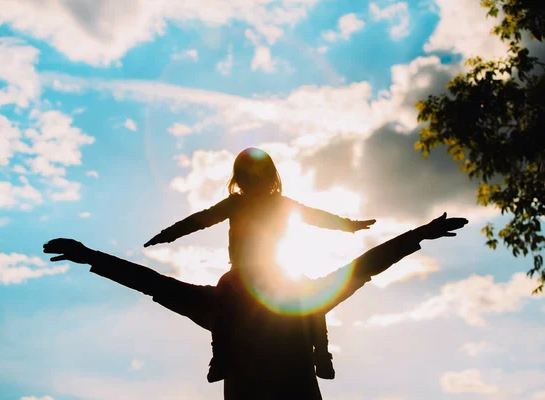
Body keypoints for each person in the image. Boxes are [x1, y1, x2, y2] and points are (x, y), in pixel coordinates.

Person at [43, 212, 468, 400]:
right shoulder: (296, 301)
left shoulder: (267, 303)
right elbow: (364, 266)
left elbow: (151, 282)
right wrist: (418, 235)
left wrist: (92, 256)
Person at [143, 147, 377, 382]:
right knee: (226, 288)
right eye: (248, 176)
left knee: (309, 291)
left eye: (258, 175)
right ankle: (221, 354)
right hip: (242, 273)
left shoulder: (280, 204)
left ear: (268, 177)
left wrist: (348, 225)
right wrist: (168, 234)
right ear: (241, 180)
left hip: (274, 270)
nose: (254, 181)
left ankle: (322, 353)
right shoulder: (234, 204)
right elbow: (199, 220)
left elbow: (315, 216)